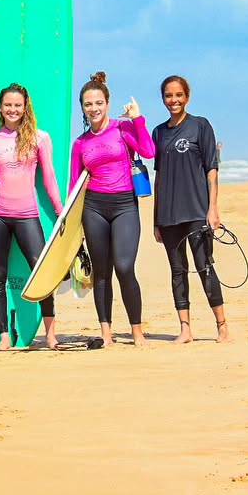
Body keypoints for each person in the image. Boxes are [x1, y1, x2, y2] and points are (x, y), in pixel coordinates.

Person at [0, 83, 65, 350]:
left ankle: (50, 334)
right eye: (8, 105)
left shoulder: (39, 137)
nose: (13, 109)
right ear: (0, 108)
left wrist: (60, 212)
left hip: (27, 214)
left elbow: (48, 178)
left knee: (41, 270)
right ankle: (3, 337)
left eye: (18, 105)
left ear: (25, 108)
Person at [70, 71, 155, 347]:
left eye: (98, 103)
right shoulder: (81, 143)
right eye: (87, 104)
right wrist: (69, 224)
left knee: (125, 266)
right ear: (82, 107)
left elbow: (149, 150)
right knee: (102, 272)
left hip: (124, 206)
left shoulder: (122, 128)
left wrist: (138, 120)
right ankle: (106, 334)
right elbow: (74, 185)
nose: (93, 108)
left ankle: (137, 330)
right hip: (94, 207)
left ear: (107, 103)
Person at [152, 75, 230, 343]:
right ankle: (185, 328)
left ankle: (222, 326)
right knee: (177, 270)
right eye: (168, 96)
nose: (173, 100)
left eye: (178, 95)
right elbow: (158, 177)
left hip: (197, 211)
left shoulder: (200, 126)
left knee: (204, 266)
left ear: (187, 96)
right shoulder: (159, 132)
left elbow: (212, 169)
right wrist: (156, 220)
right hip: (168, 214)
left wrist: (213, 208)